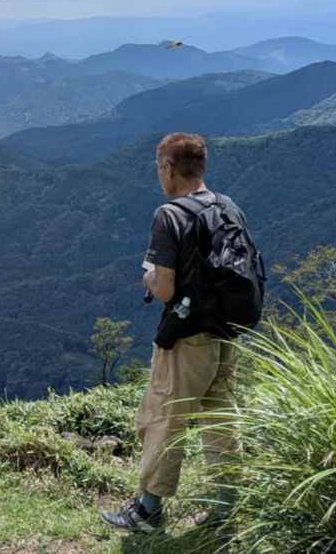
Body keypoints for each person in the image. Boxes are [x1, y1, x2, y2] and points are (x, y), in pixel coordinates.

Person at [101, 132, 245, 534]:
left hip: (188, 336)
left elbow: (164, 288)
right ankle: (227, 505)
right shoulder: (227, 206)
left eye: (158, 167)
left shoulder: (171, 214)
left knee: (164, 415)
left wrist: (148, 277)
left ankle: (148, 511)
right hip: (226, 333)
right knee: (220, 416)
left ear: (168, 168)